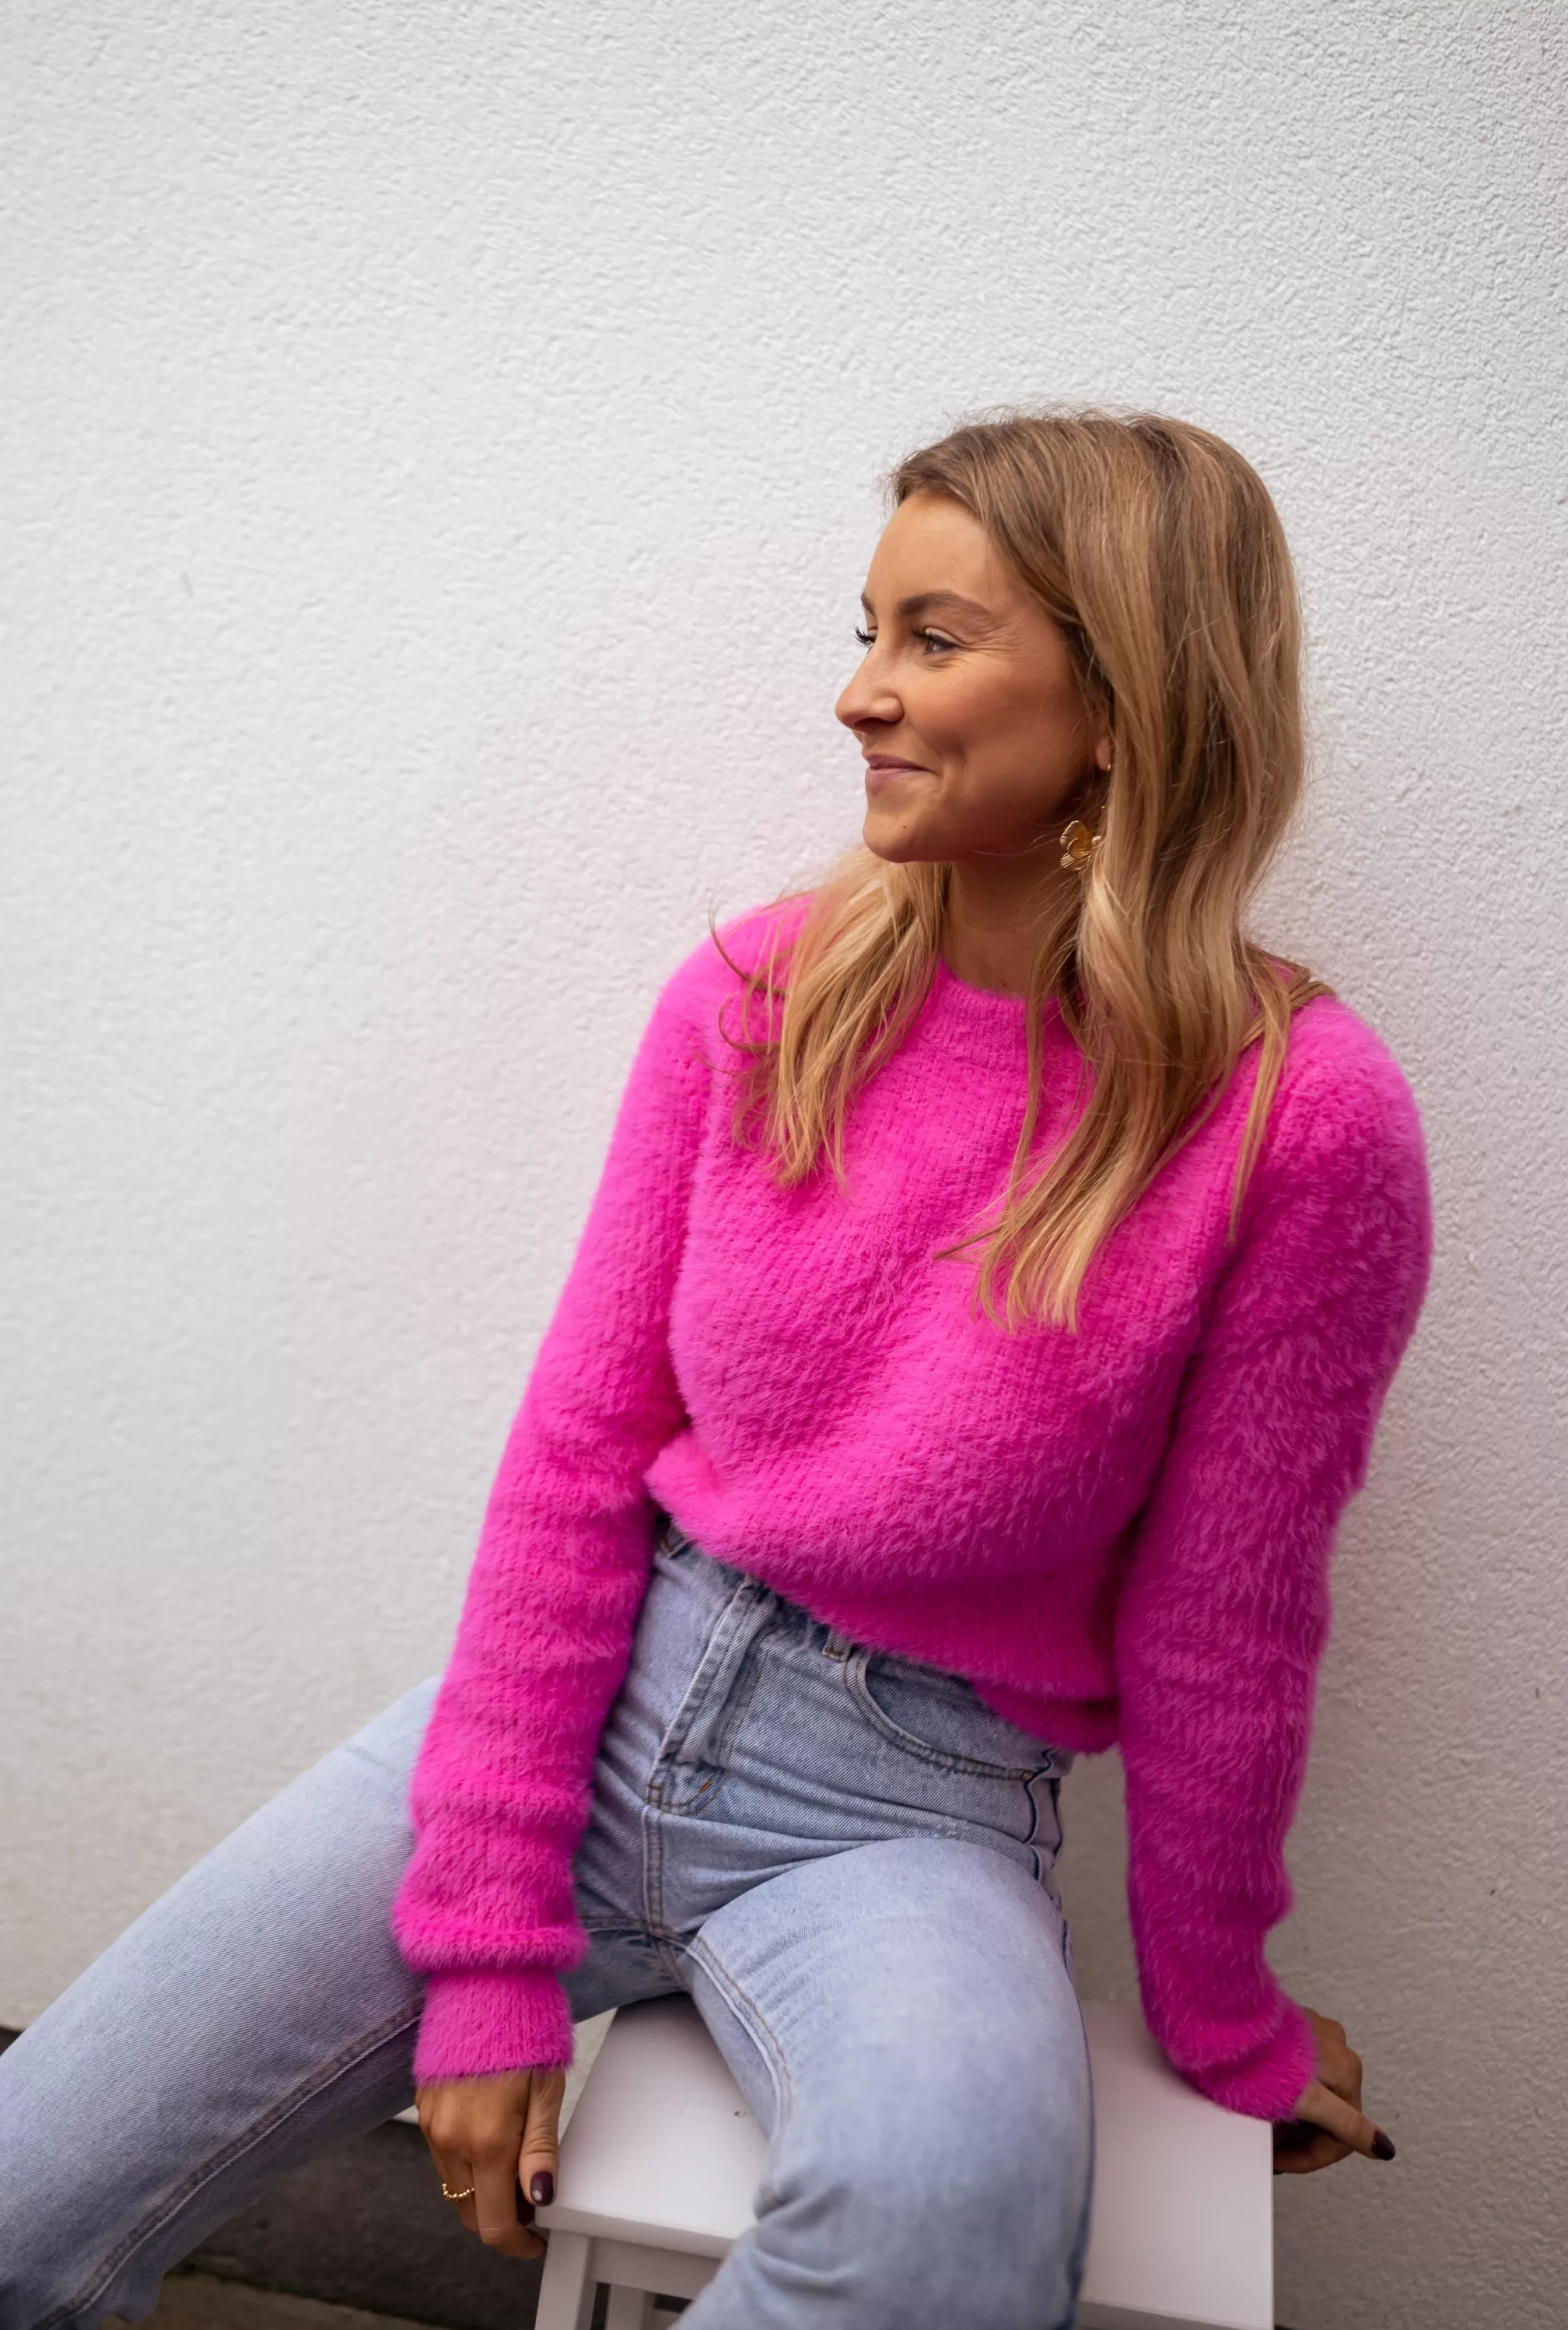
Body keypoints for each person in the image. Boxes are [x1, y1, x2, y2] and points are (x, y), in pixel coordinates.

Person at [0, 409, 1432, 2330]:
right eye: (868, 631)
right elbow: (576, 1454)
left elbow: (1224, 1624)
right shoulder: (760, 995)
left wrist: (1224, 2017)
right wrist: (488, 1956)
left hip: (910, 1817)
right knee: (25, 2188)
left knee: (949, 2233)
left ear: (1122, 700)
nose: (859, 695)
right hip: (597, 1699)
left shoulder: (1297, 1118)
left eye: (935, 639)